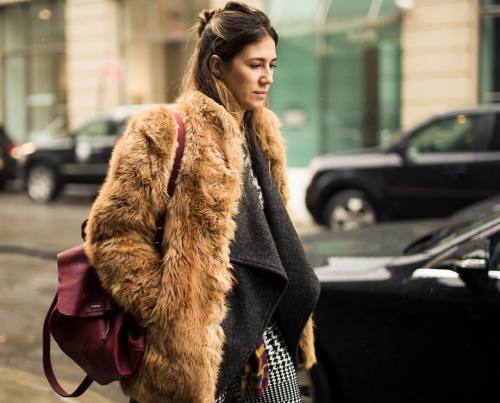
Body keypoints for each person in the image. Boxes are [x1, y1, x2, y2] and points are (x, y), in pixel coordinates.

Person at [84, 2, 320, 402]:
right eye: (255, 65)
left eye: (272, 66)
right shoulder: (162, 131)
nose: (267, 78)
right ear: (216, 65)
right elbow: (111, 234)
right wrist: (167, 312)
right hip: (194, 352)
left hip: (267, 336)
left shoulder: (263, 136)